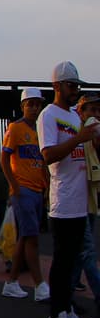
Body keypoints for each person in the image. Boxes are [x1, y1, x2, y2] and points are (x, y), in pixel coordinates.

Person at [37, 61, 97, 318]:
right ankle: (55, 317)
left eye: (78, 86)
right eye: (72, 85)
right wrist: (78, 139)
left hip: (79, 201)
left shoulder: (74, 116)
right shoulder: (48, 115)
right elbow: (48, 155)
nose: (76, 91)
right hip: (62, 202)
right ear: (57, 86)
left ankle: (67, 310)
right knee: (62, 262)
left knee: (73, 260)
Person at [0, 88, 49, 301]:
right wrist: (15, 186)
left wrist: (46, 186)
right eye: (30, 104)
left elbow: (43, 162)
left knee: (25, 236)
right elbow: (4, 159)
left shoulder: (41, 131)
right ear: (23, 106)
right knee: (32, 238)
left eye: (37, 104)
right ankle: (39, 285)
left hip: (37, 189)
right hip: (24, 189)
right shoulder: (15, 128)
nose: (34, 108)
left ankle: (11, 282)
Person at [71, 90, 100, 299]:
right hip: (76, 199)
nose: (96, 114)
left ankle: (67, 296)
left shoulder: (92, 133)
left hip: (89, 199)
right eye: (92, 109)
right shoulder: (78, 131)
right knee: (87, 251)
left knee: (78, 253)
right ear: (80, 112)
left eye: (98, 110)